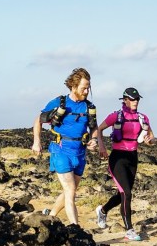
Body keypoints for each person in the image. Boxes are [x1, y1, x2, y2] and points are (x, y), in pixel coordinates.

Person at [32, 67, 105, 226]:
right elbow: (38, 120)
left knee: (69, 192)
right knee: (71, 191)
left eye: (88, 88)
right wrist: (37, 142)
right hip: (60, 151)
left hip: (79, 154)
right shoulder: (59, 102)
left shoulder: (89, 107)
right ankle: (76, 228)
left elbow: (93, 127)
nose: (86, 91)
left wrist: (94, 140)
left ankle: (50, 215)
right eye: (83, 88)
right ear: (73, 86)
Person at [94, 87, 155, 241]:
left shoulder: (143, 118)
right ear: (125, 100)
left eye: (137, 99)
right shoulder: (116, 116)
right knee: (127, 194)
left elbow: (151, 138)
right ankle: (129, 230)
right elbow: (99, 129)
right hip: (117, 158)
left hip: (132, 158)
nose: (136, 101)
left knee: (122, 194)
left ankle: (103, 210)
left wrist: (149, 141)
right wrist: (101, 147)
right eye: (133, 99)